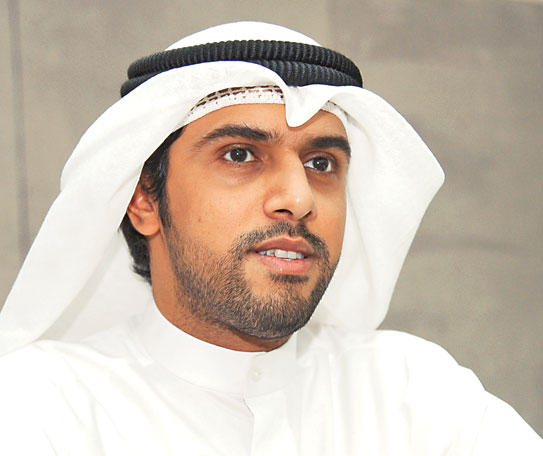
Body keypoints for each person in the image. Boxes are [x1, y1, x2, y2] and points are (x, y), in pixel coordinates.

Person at [0, 21, 540, 455]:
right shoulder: (39, 406)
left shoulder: (413, 392)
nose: (299, 198)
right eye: (240, 154)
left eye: (321, 163)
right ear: (144, 198)